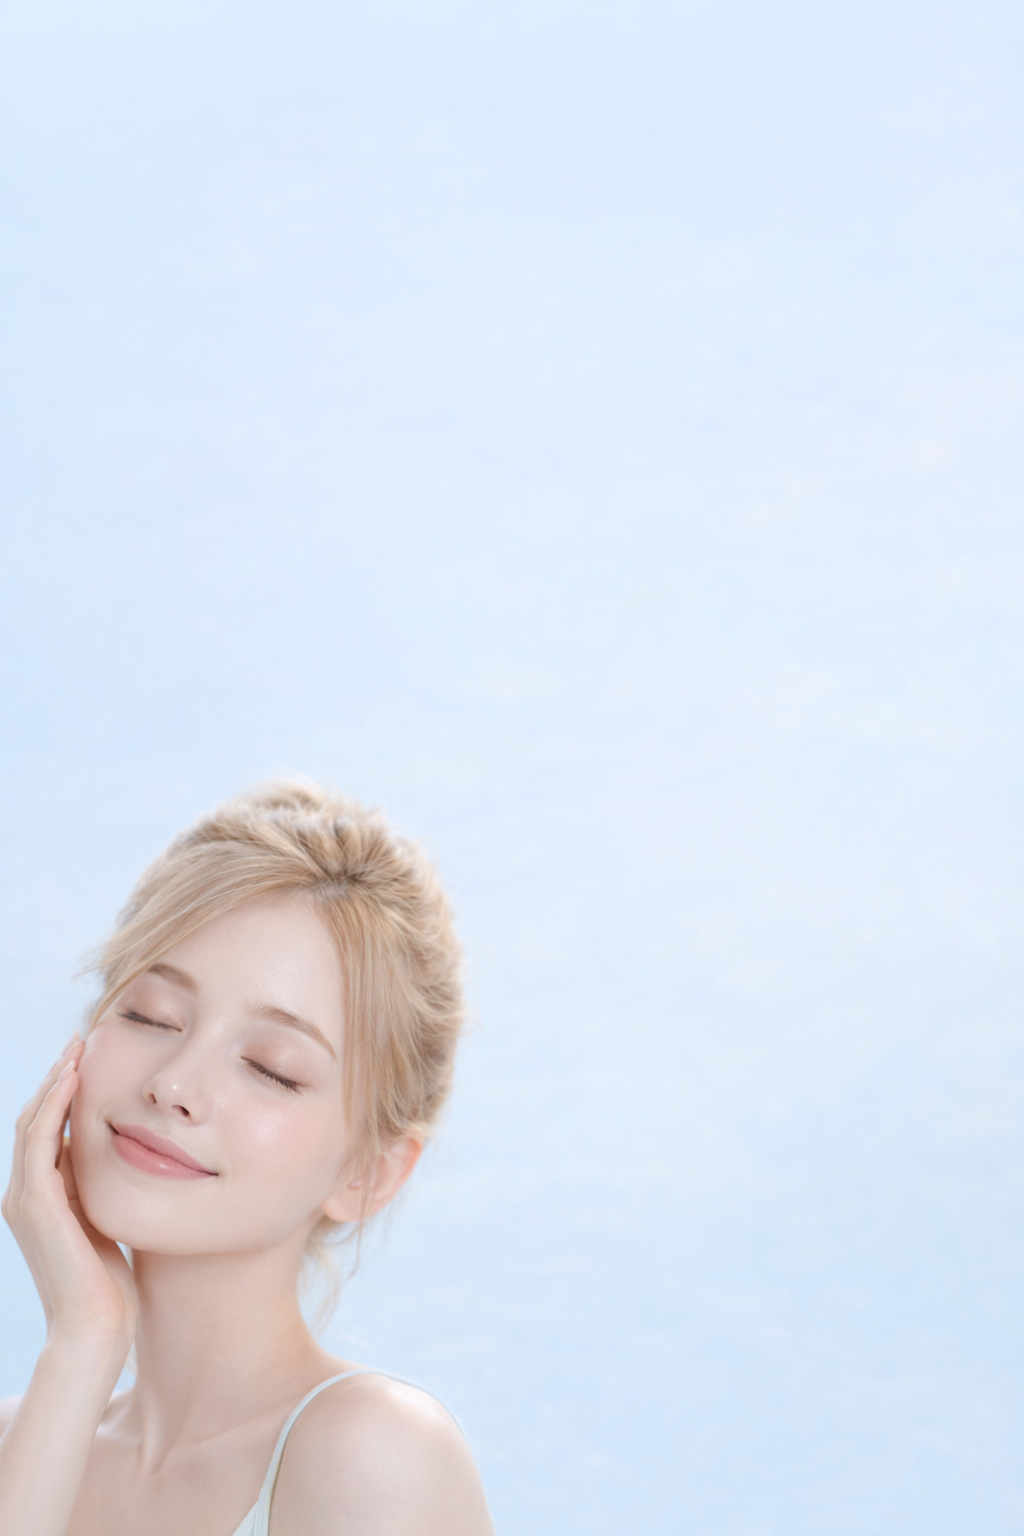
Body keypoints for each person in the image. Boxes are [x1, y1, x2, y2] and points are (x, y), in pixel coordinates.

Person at [0, 781, 494, 1536]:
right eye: (149, 1014)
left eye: (271, 1067)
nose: (173, 1086)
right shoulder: (23, 1436)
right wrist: (81, 1344)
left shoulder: (373, 1458)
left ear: (370, 1171)